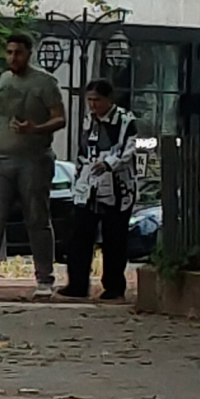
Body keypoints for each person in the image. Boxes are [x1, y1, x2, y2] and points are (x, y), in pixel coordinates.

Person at [0, 33, 65, 300]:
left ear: (29, 53)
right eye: (9, 52)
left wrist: (36, 128)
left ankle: (44, 279)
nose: (12, 57)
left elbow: (60, 118)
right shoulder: (4, 79)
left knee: (37, 219)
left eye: (18, 52)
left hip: (33, 159)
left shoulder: (45, 82)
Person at [61, 79, 140, 301]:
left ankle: (114, 286)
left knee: (114, 238)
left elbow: (129, 149)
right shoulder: (89, 120)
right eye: (90, 100)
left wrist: (109, 164)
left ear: (109, 99)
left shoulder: (125, 120)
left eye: (97, 100)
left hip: (117, 187)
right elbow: (84, 148)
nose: (93, 105)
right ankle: (77, 283)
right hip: (89, 186)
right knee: (80, 234)